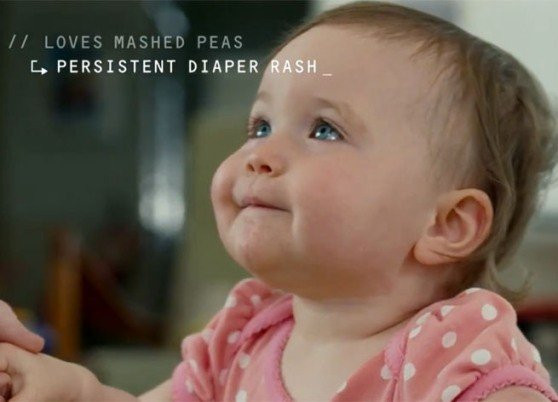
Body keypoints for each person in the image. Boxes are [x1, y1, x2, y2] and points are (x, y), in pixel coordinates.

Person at [1, 1, 558, 401]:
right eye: (261, 125)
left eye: (324, 130)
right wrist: (76, 389)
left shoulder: (453, 354)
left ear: (447, 224)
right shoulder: (242, 337)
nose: (259, 155)